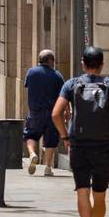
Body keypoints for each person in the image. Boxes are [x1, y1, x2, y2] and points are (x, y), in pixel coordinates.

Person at [51, 46, 109, 217]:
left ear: (83, 64)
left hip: (79, 144)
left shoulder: (71, 84)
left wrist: (65, 136)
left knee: (82, 190)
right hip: (103, 144)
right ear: (102, 64)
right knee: (100, 195)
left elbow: (55, 114)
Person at [22, 49, 66, 177]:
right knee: (50, 141)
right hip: (53, 113)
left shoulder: (31, 72)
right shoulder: (57, 76)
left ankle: (32, 154)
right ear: (50, 60)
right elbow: (63, 96)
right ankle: (48, 167)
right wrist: (67, 111)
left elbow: (28, 87)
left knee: (30, 135)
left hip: (35, 112)